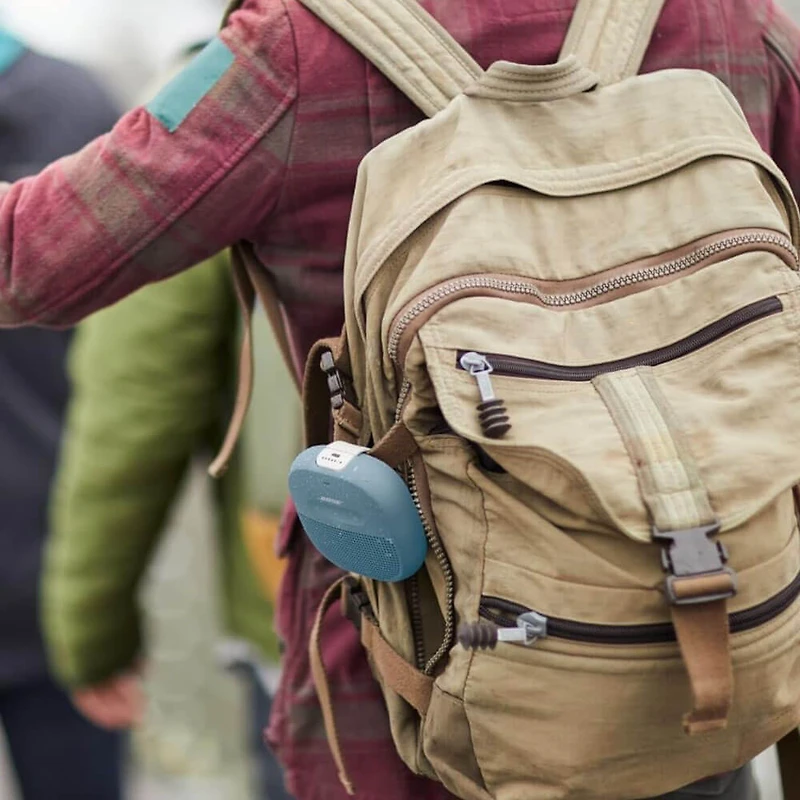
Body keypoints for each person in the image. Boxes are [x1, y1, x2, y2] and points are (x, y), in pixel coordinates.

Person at [0, 0, 797, 797]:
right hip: (708, 640)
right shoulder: (723, 18)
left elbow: (28, 258)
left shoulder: (294, 52)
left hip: (415, 687)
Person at [42, 251, 293, 800]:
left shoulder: (214, 162)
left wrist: (91, 637)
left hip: (312, 610)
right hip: (509, 608)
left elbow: (132, 417)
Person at [0, 28, 122, 800]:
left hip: (55, 572)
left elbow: (137, 379)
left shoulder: (68, 109)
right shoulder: (75, 102)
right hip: (62, 561)